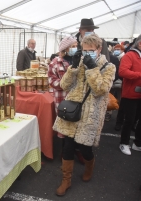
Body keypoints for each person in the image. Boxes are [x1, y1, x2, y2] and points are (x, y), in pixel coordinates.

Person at [53, 33, 115, 196]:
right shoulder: (78, 63)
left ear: (99, 49)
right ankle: (66, 180)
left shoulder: (109, 67)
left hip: (90, 115)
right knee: (67, 147)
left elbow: (101, 90)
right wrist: (72, 68)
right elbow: (64, 85)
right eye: (84, 50)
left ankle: (89, 167)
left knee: (85, 149)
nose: (86, 53)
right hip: (72, 112)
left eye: (90, 50)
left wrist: (93, 68)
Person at [48, 36, 85, 165]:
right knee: (65, 125)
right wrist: (64, 84)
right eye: (73, 46)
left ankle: (78, 150)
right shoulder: (55, 62)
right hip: (63, 99)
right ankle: (65, 152)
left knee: (78, 124)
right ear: (66, 48)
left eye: (76, 46)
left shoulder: (81, 61)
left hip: (78, 98)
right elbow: (51, 80)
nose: (76, 48)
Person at [118, 34, 141, 155]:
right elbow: (122, 72)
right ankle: (124, 143)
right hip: (130, 94)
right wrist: (139, 74)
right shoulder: (130, 55)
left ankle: (137, 143)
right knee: (129, 120)